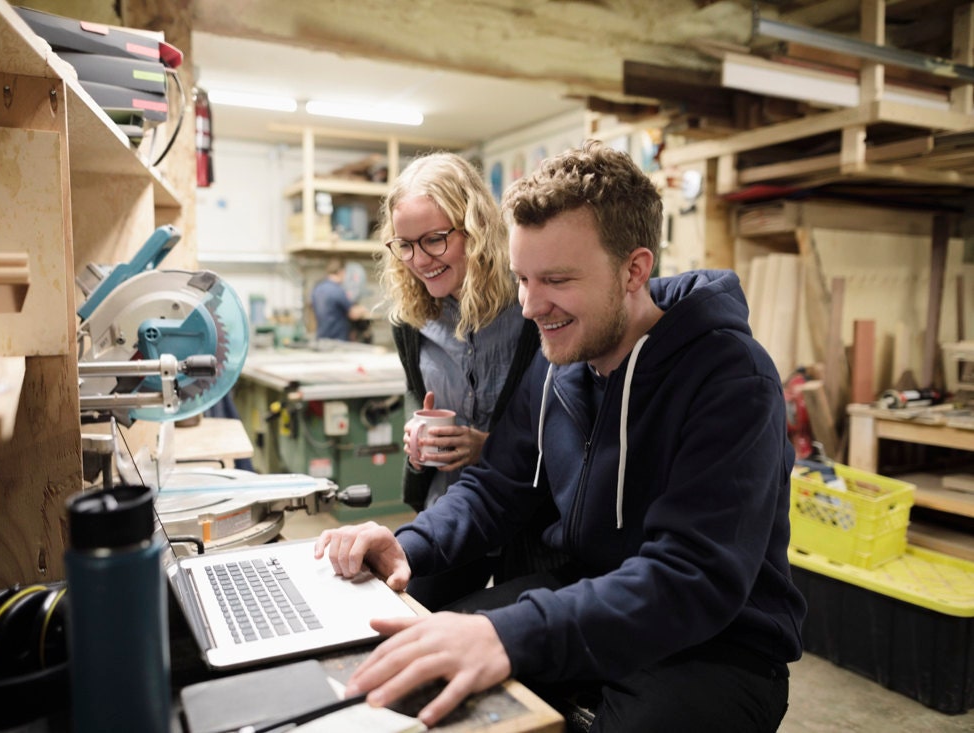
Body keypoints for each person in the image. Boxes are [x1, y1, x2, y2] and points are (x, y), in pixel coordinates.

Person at [314, 140, 807, 732]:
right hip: (584, 595)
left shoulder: (732, 378)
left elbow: (693, 577)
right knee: (412, 666)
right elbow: (497, 487)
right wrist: (408, 543)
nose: (528, 306)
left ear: (634, 270)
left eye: (555, 280)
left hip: (715, 643)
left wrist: (508, 632)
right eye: (523, 278)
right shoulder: (561, 362)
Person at [374, 151, 561, 610]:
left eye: (435, 239)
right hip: (451, 510)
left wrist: (488, 446)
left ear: (475, 227)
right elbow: (425, 406)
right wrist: (418, 447)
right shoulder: (412, 322)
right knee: (414, 615)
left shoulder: (530, 308)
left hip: (527, 517)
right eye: (405, 244)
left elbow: (565, 427)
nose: (420, 259)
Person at [310, 257, 369, 341]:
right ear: (341, 272)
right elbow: (353, 314)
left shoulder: (317, 288)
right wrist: (363, 309)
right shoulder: (338, 291)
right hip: (337, 339)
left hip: (321, 338)